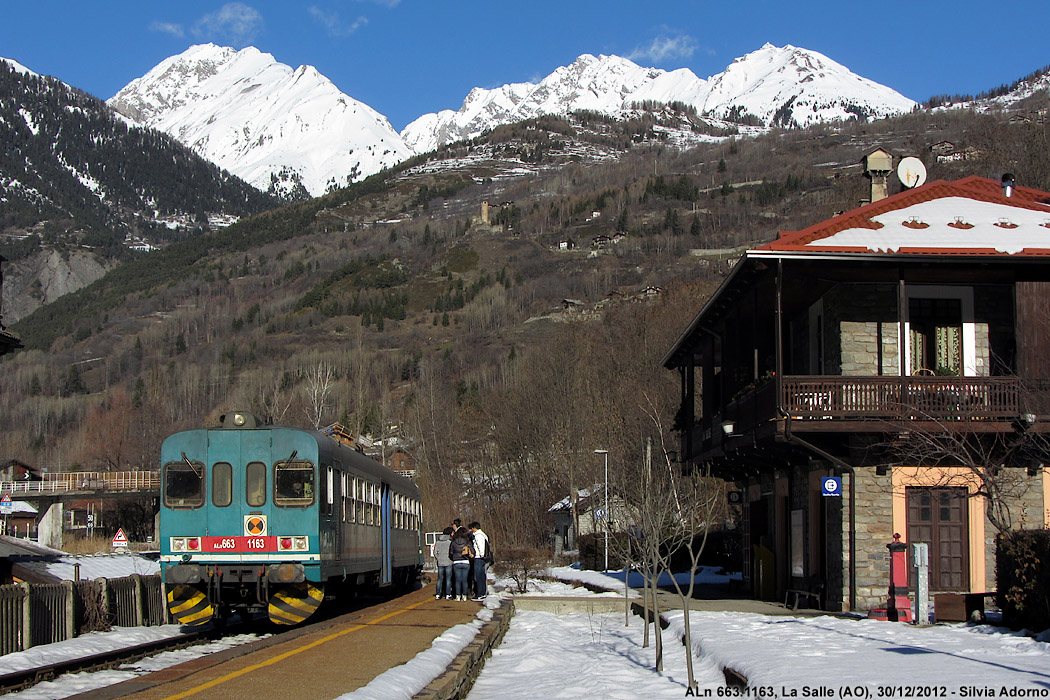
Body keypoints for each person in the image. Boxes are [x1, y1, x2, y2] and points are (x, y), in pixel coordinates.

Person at [449, 526, 475, 601]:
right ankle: (464, 595)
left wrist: (454, 558)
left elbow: (450, 553)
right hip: (465, 562)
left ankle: (457, 596)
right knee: (465, 580)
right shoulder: (467, 542)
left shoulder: (453, 542)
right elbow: (473, 551)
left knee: (457, 580)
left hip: (456, 562)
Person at [469, 521, 490, 600]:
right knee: (482, 576)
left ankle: (480, 594)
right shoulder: (483, 535)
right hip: (482, 558)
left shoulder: (478, 536)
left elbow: (480, 546)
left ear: (474, 528)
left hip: (479, 558)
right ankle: (483, 593)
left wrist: (481, 555)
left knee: (478, 576)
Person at [433, 527, 454, 600]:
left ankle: (438, 594)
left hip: (440, 563)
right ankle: (448, 594)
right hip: (448, 562)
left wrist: (438, 558)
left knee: (439, 579)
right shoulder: (449, 542)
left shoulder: (438, 542)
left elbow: (435, 552)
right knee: (448, 579)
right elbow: (452, 552)